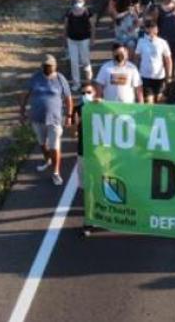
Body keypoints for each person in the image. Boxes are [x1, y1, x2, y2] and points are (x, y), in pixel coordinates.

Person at [19, 55, 72, 186]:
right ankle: (47, 159)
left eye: (51, 66)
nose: (49, 68)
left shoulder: (60, 79)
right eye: (47, 66)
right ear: (42, 66)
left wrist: (69, 115)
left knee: (55, 147)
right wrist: (22, 111)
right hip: (37, 118)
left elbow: (68, 99)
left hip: (54, 119)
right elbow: (25, 95)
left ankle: (55, 172)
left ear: (55, 66)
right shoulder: (35, 77)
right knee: (42, 143)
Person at [74, 82, 98, 236]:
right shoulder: (78, 109)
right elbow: (73, 132)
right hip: (83, 152)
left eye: (88, 92)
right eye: (83, 92)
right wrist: (78, 120)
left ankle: (90, 220)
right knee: (86, 188)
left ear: (95, 93)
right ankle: (90, 217)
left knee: (96, 186)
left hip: (98, 155)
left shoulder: (101, 108)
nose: (85, 95)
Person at [135, 20, 173, 103]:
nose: (151, 30)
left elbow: (168, 60)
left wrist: (169, 76)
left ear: (157, 29)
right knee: (149, 101)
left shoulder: (163, 42)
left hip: (160, 77)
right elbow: (137, 58)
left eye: (153, 27)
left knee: (160, 101)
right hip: (145, 76)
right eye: (148, 27)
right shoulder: (141, 42)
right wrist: (136, 73)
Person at [63, 0, 94, 89]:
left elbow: (92, 26)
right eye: (76, 1)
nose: (78, 3)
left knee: (85, 61)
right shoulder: (69, 12)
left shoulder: (87, 12)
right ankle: (76, 83)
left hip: (84, 40)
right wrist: (64, 39)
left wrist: (92, 38)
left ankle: (89, 81)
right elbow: (65, 26)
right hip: (72, 40)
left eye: (80, 1)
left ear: (84, 2)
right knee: (74, 62)